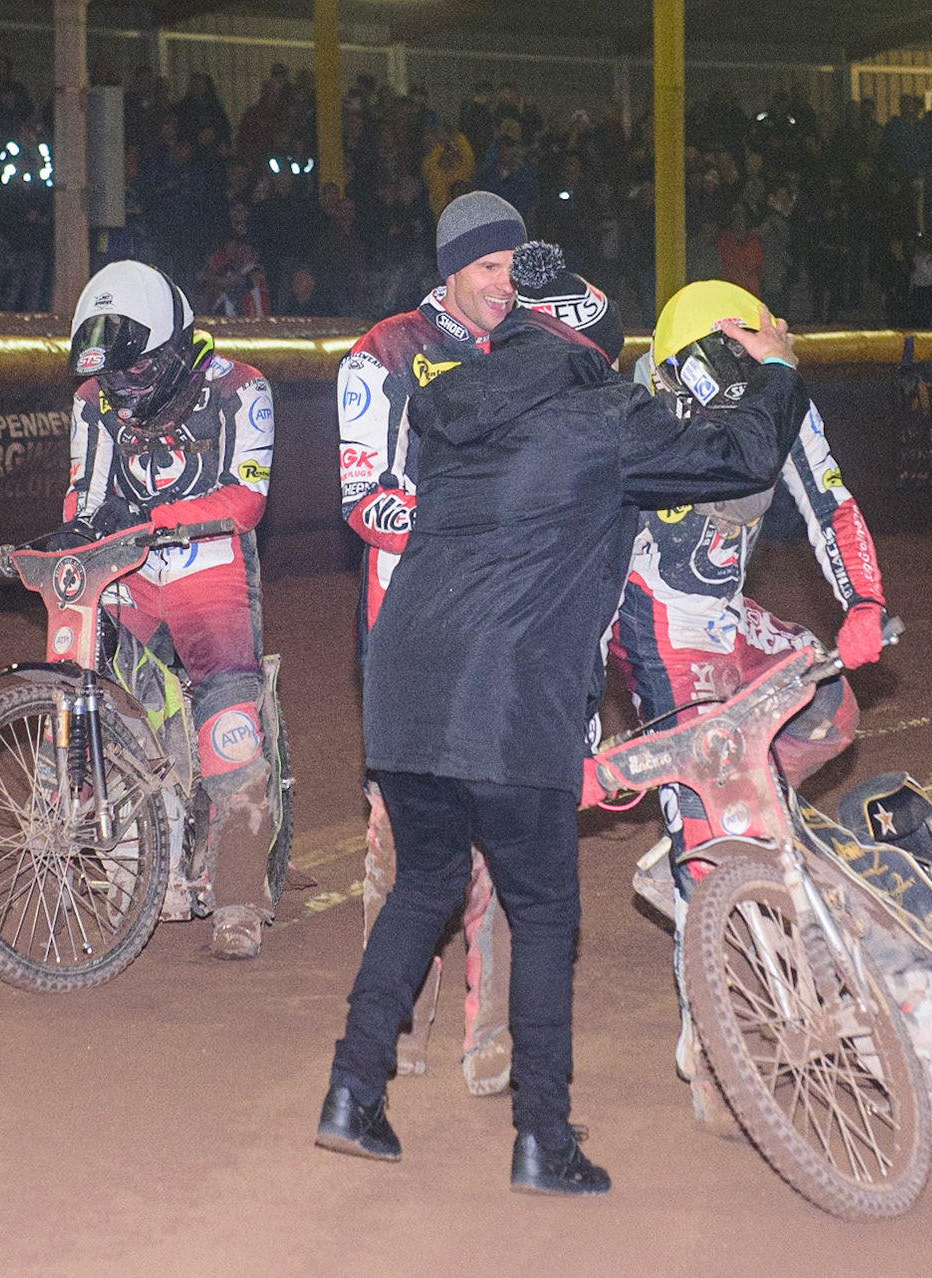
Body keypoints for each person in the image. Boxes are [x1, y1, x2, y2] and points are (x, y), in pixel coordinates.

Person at [315, 283, 810, 1196]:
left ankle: (351, 1094)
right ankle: (543, 1138)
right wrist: (775, 369)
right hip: (506, 704)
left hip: (401, 690)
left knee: (423, 885)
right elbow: (742, 454)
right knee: (544, 912)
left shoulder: (451, 407)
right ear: (592, 354)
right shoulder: (604, 418)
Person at [620, 278, 886, 1106]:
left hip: (726, 611)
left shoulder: (779, 396)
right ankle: (711, 1040)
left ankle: (731, 821)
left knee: (828, 703)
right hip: (653, 619)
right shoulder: (625, 417)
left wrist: (866, 601)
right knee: (710, 809)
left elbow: (831, 503)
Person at [335, 190, 527, 1093]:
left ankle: (488, 1030)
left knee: (495, 829)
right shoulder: (381, 357)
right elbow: (365, 498)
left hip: (500, 638)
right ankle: (401, 1016)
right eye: (490, 266)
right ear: (452, 267)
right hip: (409, 638)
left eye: (514, 266)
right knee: (399, 839)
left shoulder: (533, 351)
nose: (506, 283)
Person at [62, 260, 281, 958]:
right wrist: (72, 536)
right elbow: (82, 499)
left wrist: (154, 516)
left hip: (208, 563)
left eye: (134, 372)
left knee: (230, 724)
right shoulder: (92, 399)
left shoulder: (242, 388)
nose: (119, 390)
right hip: (128, 567)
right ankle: (126, 845)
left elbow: (246, 502)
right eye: (111, 375)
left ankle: (241, 899)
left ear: (171, 348)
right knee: (93, 692)